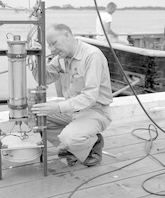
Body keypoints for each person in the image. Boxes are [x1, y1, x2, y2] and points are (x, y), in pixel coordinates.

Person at [31, 23, 113, 166]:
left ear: (67, 35)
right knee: (33, 113)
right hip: (73, 110)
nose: (52, 49)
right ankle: (73, 147)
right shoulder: (61, 57)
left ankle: (94, 143)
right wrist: (34, 58)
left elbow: (89, 97)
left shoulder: (92, 56)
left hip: (95, 111)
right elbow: (44, 78)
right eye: (49, 46)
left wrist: (57, 107)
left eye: (54, 43)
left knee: (69, 137)